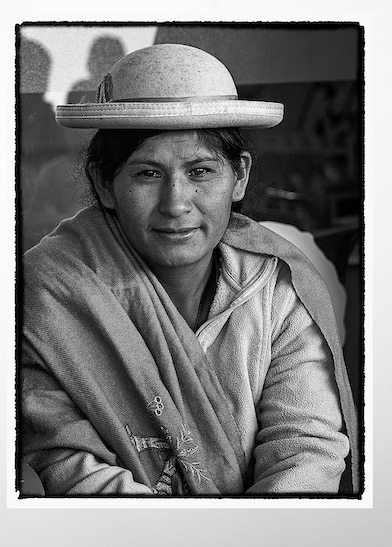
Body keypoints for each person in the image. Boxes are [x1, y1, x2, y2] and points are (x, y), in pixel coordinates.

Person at [20, 43, 359, 496]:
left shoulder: (278, 287)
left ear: (239, 177)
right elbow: (68, 463)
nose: (177, 205)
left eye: (200, 172)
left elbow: (305, 448)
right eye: (148, 174)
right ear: (105, 183)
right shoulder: (52, 292)